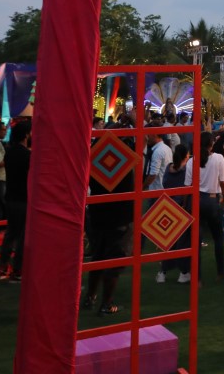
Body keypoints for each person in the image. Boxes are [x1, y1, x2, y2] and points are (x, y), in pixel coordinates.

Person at [83, 127, 135, 316]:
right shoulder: (123, 163)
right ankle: (106, 304)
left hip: (98, 216)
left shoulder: (95, 159)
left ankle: (90, 297)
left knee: (98, 257)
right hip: (119, 218)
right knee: (113, 262)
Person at [192, 131, 224, 281]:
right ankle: (221, 272)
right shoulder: (218, 158)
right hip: (213, 201)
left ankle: (197, 278)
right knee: (218, 238)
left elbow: (188, 186)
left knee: (196, 242)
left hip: (197, 201)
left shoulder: (193, 160)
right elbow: (223, 183)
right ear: (211, 144)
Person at [0, 120, 31, 281]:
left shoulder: (9, 152)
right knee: (22, 236)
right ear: (26, 135)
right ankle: (17, 270)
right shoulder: (27, 155)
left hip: (10, 196)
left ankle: (3, 266)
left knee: (11, 233)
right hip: (23, 198)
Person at [157, 144, 193, 284]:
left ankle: (162, 272)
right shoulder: (187, 170)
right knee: (182, 243)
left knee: (168, 242)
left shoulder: (168, 168)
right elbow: (186, 189)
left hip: (167, 208)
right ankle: (183, 273)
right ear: (186, 156)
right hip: (180, 209)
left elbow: (165, 183)